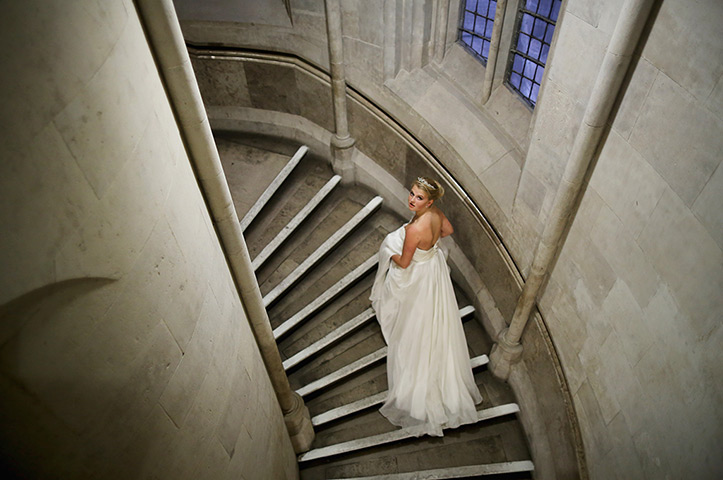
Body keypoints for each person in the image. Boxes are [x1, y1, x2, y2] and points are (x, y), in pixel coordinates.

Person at [370, 176, 483, 437]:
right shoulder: (436, 213)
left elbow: (405, 263)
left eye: (419, 197)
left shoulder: (413, 230)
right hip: (434, 268)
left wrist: (388, 250)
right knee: (436, 317)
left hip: (419, 273)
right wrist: (429, 249)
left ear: (428, 200)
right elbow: (448, 231)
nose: (412, 199)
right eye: (412, 193)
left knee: (415, 318)